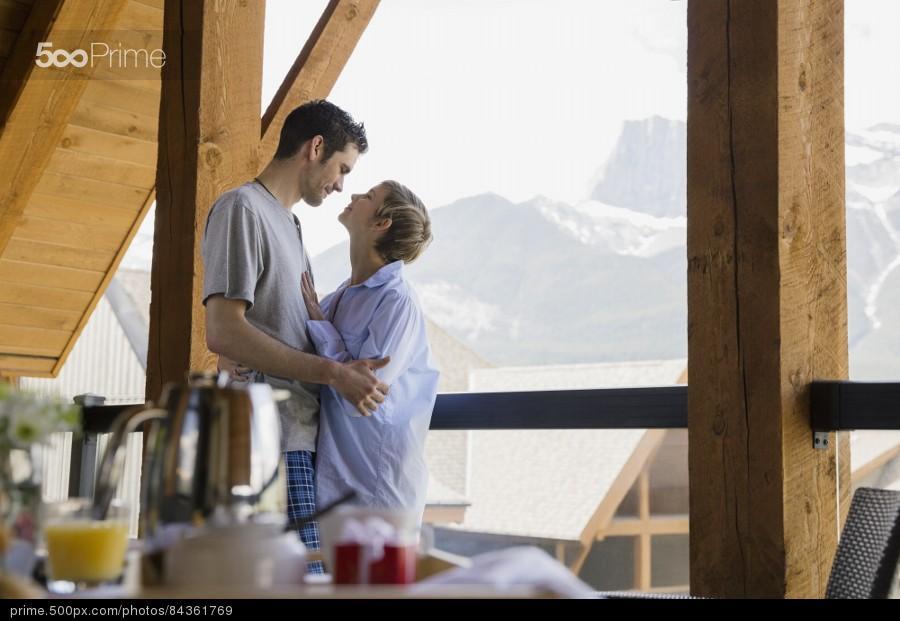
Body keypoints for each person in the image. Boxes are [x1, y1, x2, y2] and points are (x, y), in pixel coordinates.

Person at [202, 100, 388, 569]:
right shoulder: (242, 208)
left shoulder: (291, 224)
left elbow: (272, 329)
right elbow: (223, 330)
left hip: (299, 440)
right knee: (295, 586)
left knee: (302, 583)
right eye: (341, 167)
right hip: (265, 443)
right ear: (316, 147)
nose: (342, 184)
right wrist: (334, 373)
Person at [301, 180, 439, 523]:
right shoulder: (341, 296)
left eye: (368, 196)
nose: (353, 195)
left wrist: (320, 323)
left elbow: (364, 390)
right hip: (336, 486)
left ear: (381, 223)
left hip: (378, 493)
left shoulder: (397, 300)